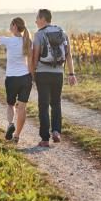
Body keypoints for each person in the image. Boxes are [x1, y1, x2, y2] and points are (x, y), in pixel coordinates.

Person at [30, 9, 77, 148]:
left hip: (43, 73)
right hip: (58, 74)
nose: (36, 21)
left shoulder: (39, 34)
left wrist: (32, 74)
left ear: (43, 19)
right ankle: (56, 131)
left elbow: (35, 56)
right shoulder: (63, 33)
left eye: (37, 18)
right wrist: (71, 74)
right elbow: (68, 55)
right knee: (56, 103)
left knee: (43, 105)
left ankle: (45, 139)